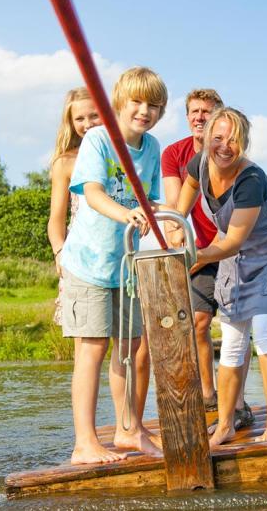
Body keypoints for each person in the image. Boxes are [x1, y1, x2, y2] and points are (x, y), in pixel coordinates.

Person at [169, 107, 267, 446]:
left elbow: (232, 241)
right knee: (230, 343)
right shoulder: (200, 162)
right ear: (208, 138)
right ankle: (226, 424)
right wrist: (177, 224)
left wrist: (193, 257)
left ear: (243, 143)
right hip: (236, 259)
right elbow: (188, 185)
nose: (225, 146)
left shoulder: (251, 180)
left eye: (234, 140)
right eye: (218, 138)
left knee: (264, 331)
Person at [59, 66, 167, 464]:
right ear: (120, 102)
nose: (145, 111)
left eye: (154, 105)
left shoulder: (151, 147)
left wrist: (150, 211)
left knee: (131, 347)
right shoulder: (99, 139)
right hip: (89, 262)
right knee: (92, 348)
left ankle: (129, 430)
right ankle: (84, 442)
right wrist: (126, 214)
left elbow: (150, 199)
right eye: (138, 102)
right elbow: (92, 192)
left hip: (125, 265)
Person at [135, 89, 253, 429]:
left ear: (220, 117)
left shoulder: (231, 153)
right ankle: (207, 395)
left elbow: (232, 225)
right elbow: (177, 206)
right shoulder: (175, 153)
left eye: (207, 111)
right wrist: (179, 245)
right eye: (194, 112)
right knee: (199, 321)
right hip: (196, 245)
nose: (199, 117)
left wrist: (199, 255)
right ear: (187, 117)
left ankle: (239, 401)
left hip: (230, 246)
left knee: (236, 324)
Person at [48, 87, 102, 335]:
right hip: (81, 257)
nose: (88, 123)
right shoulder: (66, 162)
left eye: (94, 115)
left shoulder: (121, 154)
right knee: (86, 339)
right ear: (71, 123)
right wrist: (60, 253)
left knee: (130, 340)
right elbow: (56, 219)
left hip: (118, 254)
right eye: (79, 119)